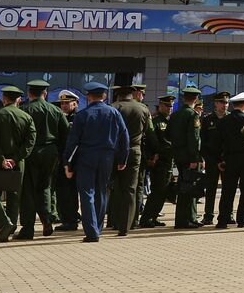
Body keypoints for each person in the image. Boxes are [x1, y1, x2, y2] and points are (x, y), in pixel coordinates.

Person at [63, 83, 130, 243]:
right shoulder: (114, 113)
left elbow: (73, 142)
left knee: (87, 193)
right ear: (104, 97)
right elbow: (124, 137)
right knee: (102, 192)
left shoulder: (82, 115)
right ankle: (97, 227)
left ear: (89, 97)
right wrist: (122, 159)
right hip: (108, 157)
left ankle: (92, 231)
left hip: (86, 157)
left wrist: (68, 163)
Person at [14, 79, 69, 240]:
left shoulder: (24, 109)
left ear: (30, 94)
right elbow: (65, 134)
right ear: (45, 93)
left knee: (28, 191)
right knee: (45, 187)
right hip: (50, 153)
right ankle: (47, 221)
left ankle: (28, 228)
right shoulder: (55, 110)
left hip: (29, 153)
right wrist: (60, 154)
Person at [0, 85, 36, 243]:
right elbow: (30, 141)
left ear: (4, 99)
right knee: (14, 196)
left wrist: (1, 159)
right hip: (18, 163)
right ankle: (9, 227)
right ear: (18, 99)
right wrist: (16, 158)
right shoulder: (26, 117)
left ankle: (5, 222)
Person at [109, 83, 154, 237]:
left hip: (114, 151)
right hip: (135, 151)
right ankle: (126, 225)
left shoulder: (112, 107)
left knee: (114, 187)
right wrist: (154, 152)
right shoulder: (143, 108)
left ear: (118, 95)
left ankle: (113, 221)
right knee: (130, 188)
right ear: (132, 94)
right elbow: (150, 133)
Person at [216, 92, 244, 229]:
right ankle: (242, 219)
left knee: (227, 191)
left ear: (232, 105)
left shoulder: (223, 121)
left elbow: (218, 143)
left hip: (229, 159)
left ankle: (222, 220)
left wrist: (220, 160)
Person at [166, 86, 204, 229]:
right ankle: (184, 220)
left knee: (185, 187)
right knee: (188, 189)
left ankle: (190, 218)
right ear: (196, 99)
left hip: (178, 155)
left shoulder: (175, 115)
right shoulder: (192, 115)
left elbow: (168, 135)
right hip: (189, 157)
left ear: (183, 98)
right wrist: (195, 158)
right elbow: (194, 139)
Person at [138, 94, 176, 228]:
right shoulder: (156, 121)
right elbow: (152, 141)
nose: (169, 108)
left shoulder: (168, 121)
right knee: (157, 191)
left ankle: (153, 216)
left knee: (163, 192)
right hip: (159, 161)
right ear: (160, 106)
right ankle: (146, 218)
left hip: (167, 161)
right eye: (166, 105)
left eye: (171, 106)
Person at [52, 90, 80, 232]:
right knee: (63, 192)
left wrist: (68, 163)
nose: (63, 105)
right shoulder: (62, 118)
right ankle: (67, 218)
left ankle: (70, 220)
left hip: (71, 161)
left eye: (67, 103)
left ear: (75, 104)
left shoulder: (76, 119)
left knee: (68, 192)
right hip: (62, 159)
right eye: (62, 103)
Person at [200, 91, 229, 225]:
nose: (225, 105)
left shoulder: (231, 119)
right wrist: (208, 159)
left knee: (228, 189)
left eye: (226, 103)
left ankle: (227, 214)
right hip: (212, 160)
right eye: (222, 103)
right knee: (211, 188)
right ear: (216, 104)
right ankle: (208, 215)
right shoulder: (207, 120)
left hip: (228, 159)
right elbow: (204, 142)